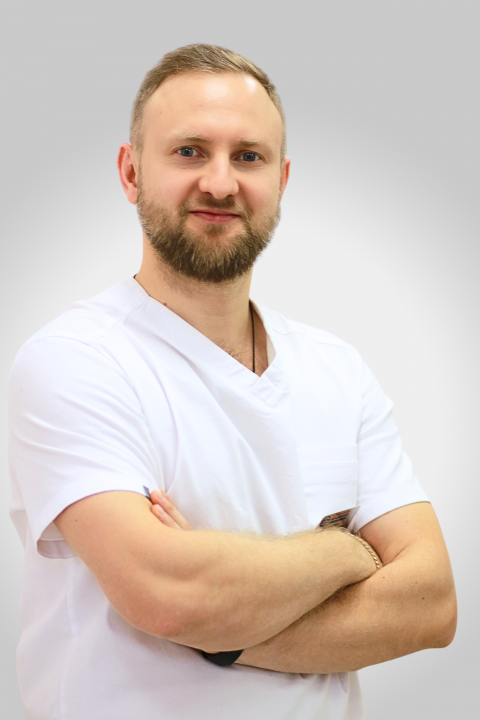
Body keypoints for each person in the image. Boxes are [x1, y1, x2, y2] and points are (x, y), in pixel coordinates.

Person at [8, 44, 456, 720]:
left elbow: (433, 604)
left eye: (248, 157)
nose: (220, 184)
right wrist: (345, 548)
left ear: (281, 179)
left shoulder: (337, 370)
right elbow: (172, 596)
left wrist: (221, 632)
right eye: (189, 152)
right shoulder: (76, 361)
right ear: (131, 172)